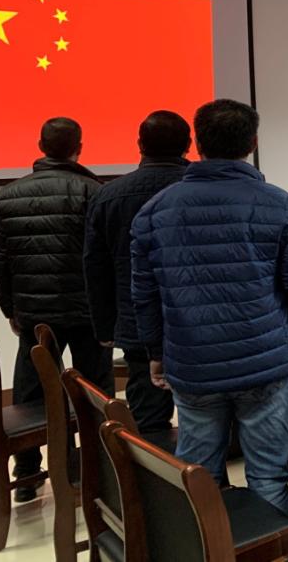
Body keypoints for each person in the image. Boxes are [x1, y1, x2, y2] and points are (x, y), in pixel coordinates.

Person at [131, 99, 288, 516]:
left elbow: (145, 295)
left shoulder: (155, 211)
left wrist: (155, 352)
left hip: (193, 364)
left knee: (199, 477)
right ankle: (272, 543)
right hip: (265, 362)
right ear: (252, 143)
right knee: (270, 476)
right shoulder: (280, 204)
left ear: (198, 144)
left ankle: (211, 544)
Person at [0, 117, 112, 502]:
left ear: (40, 146)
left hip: (34, 312)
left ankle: (27, 474)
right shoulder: (94, 191)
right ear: (80, 147)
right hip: (87, 310)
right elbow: (103, 259)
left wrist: (9, 309)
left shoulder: (8, 195)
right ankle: (96, 468)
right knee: (95, 389)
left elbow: (1, 261)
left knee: (30, 390)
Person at [83, 111, 191, 436]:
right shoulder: (207, 190)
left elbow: (96, 266)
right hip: (201, 319)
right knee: (207, 416)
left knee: (148, 419)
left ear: (139, 144)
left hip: (137, 321)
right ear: (188, 145)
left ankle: (155, 467)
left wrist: (104, 326)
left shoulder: (109, 195)